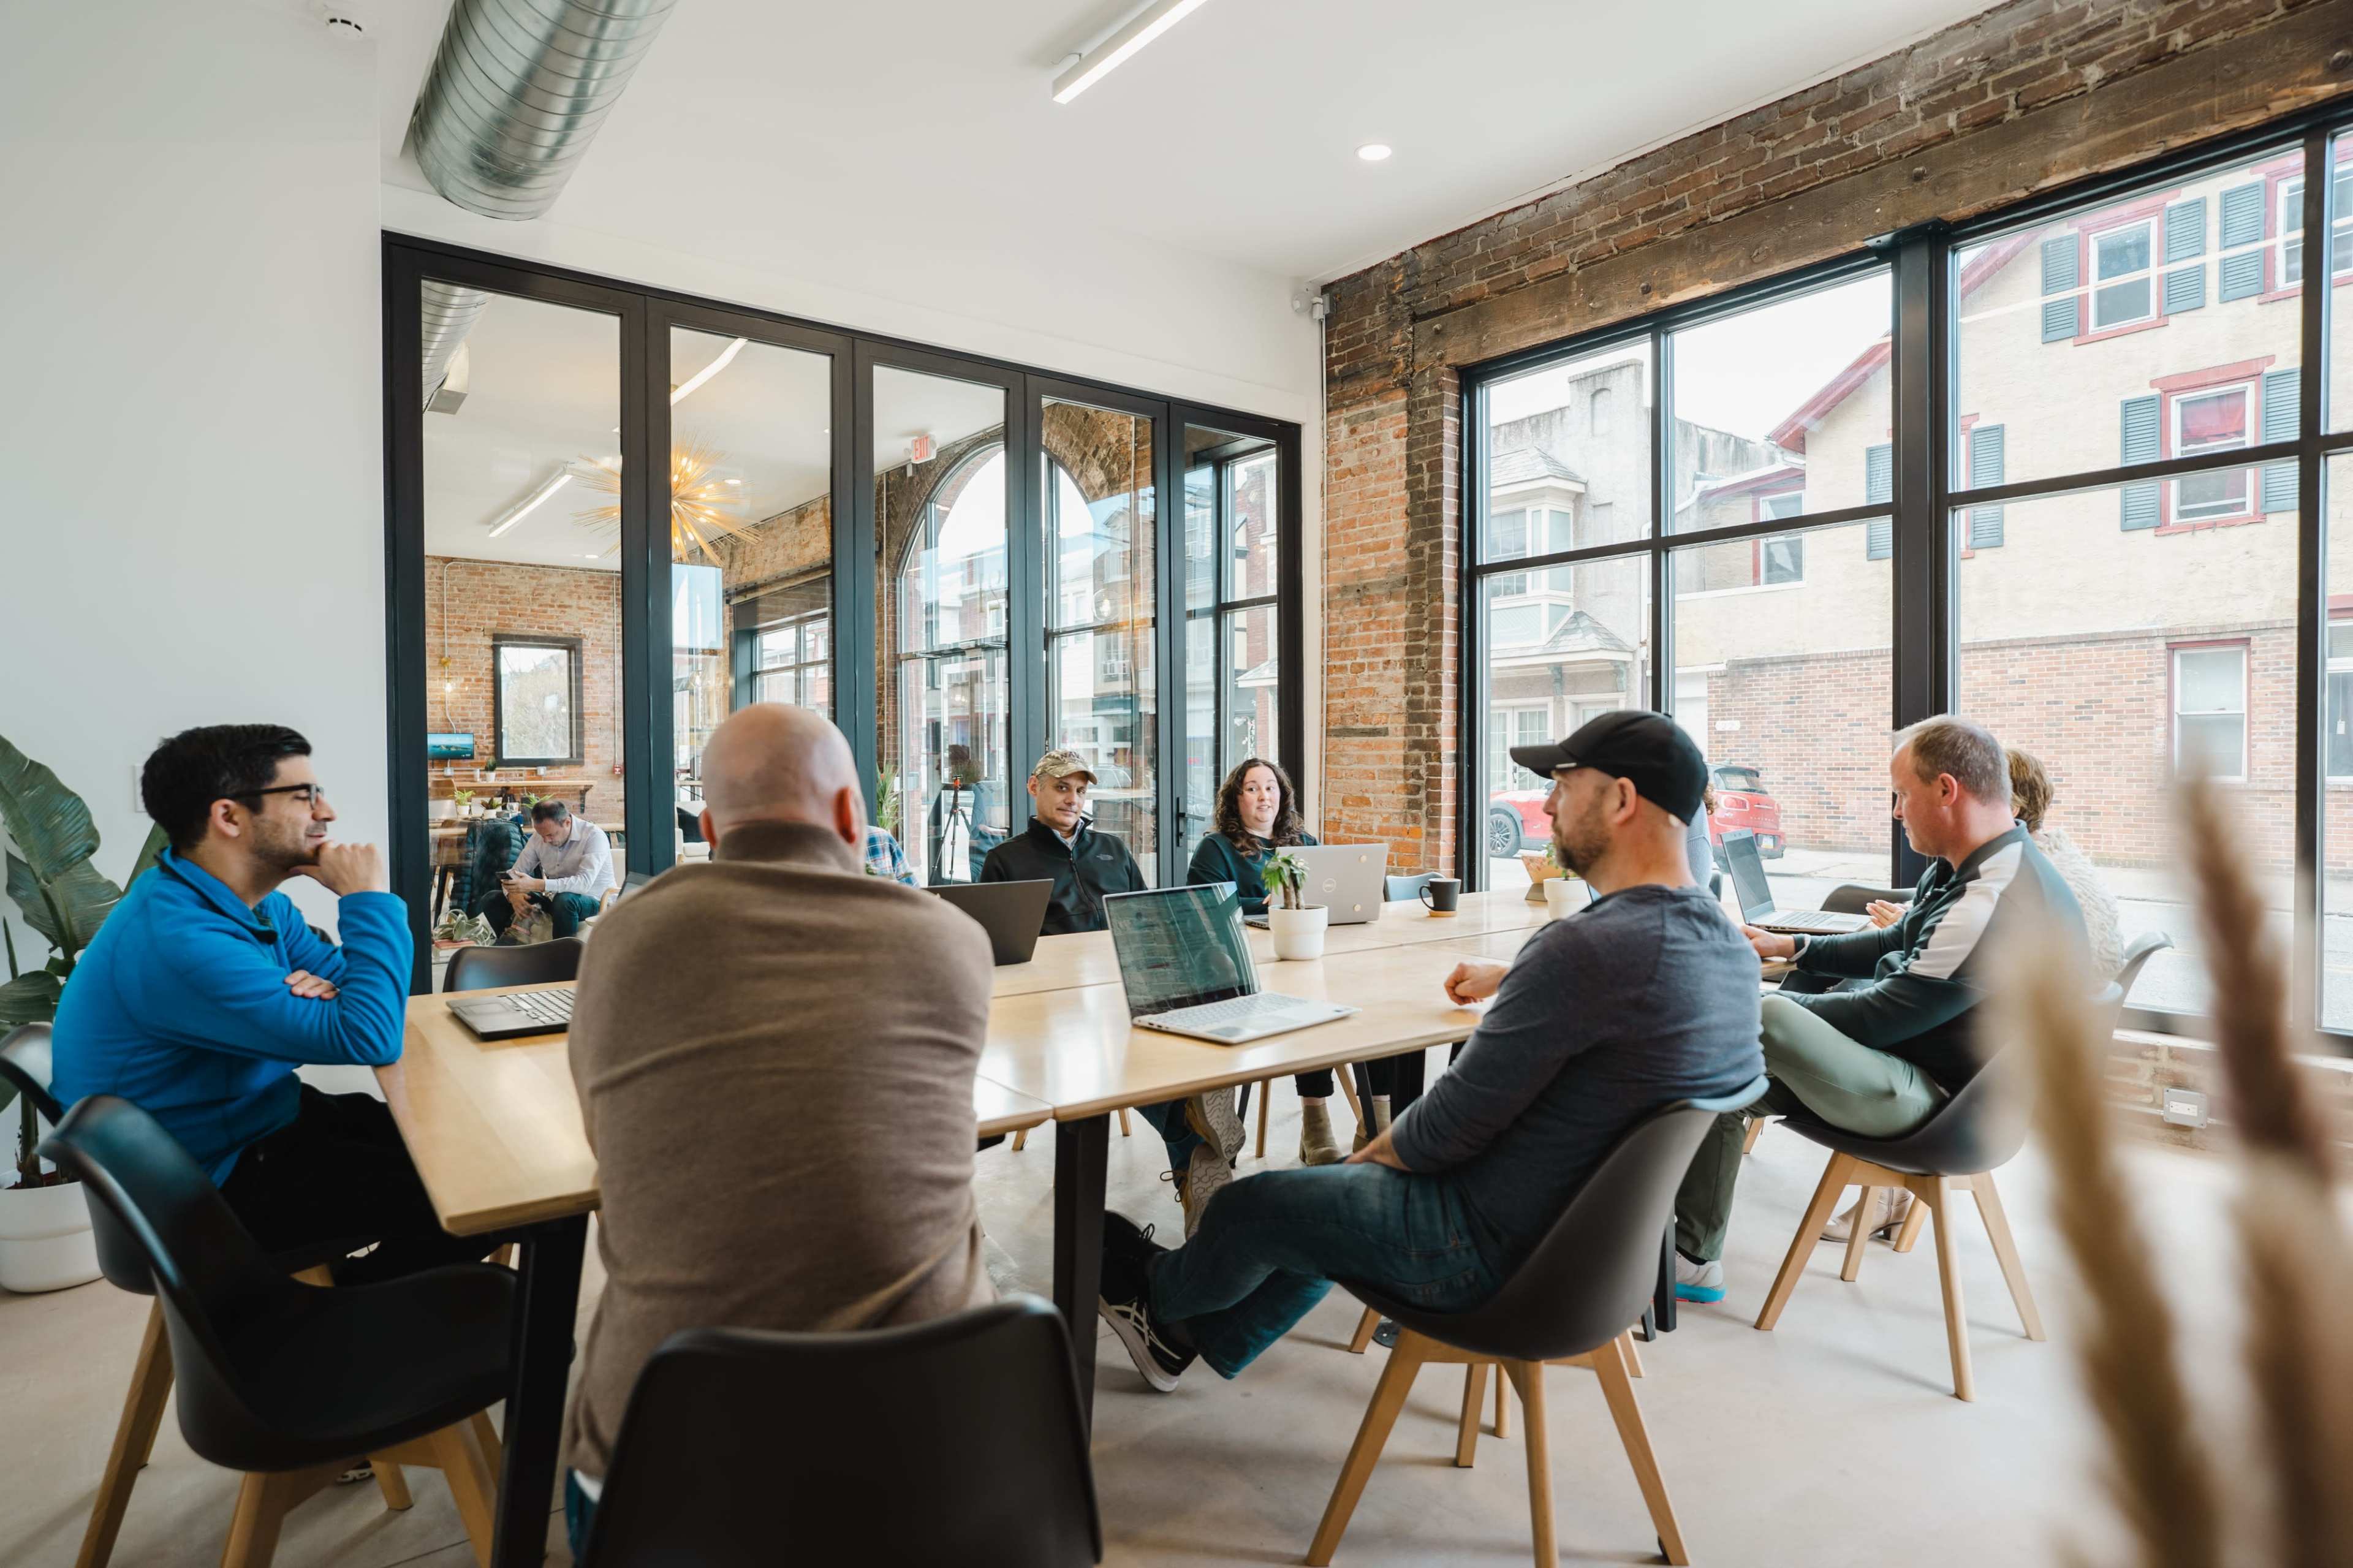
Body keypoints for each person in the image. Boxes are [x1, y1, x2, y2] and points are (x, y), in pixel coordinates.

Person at [1094, 710, 1764, 1391]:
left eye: (1563, 785)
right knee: (1312, 1207)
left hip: (1483, 1253)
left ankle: (1159, 1300)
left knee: (1255, 1206)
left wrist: (1356, 1171)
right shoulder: (1729, 951)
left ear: (1622, 800)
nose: (1549, 804)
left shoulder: (1585, 950)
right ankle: (1191, 1339)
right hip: (1600, 1271)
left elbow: (1444, 1129)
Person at [561, 703, 996, 1553]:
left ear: (713, 827)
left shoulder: (618, 943)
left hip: (669, 1464)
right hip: (934, 1448)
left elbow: (612, 1149)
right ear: (848, 816)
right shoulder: (951, 941)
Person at [50, 724, 485, 1284]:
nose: (326, 811)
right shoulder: (181, 940)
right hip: (204, 1190)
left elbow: (367, 1000)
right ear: (229, 817)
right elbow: (371, 1035)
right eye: (303, 795)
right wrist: (368, 898)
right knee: (490, 1184)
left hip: (261, 1124)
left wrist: (347, 998)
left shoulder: (253, 906)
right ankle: (328, 1323)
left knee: (475, 1152)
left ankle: (355, 1308)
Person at [1672, 716, 2090, 1298]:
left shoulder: (1993, 899)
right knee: (1720, 1069)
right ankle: (1691, 1256)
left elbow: (1882, 1016)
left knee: (1764, 1019)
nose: (1896, 812)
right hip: (1942, 1078)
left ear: (1947, 790)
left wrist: (1755, 1005)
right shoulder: (1978, 865)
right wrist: (1793, 947)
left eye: (1901, 795)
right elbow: (1895, 944)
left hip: (1943, 1106)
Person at [1186, 759, 1349, 1166]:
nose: (1265, 796)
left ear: (1284, 795)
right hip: (1246, 968)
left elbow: (1329, 895)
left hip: (1308, 954)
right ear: (1235, 799)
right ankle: (1316, 1120)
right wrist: (1267, 905)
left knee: (1367, 997)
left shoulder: (1305, 844)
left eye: (1271, 787)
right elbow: (1203, 907)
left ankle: (1376, 1122)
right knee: (1308, 1002)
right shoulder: (1216, 847)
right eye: (1253, 788)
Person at [1865, 744, 2122, 979]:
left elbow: (1964, 956)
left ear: (2008, 809)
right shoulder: (2057, 859)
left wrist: (1915, 928)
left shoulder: (2016, 879)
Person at [978, 749, 1146, 933]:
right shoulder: (1005, 860)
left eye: (1080, 791)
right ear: (1034, 787)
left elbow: (1146, 913)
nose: (1073, 800)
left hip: (1115, 959)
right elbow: (994, 939)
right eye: (1062, 788)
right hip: (1052, 960)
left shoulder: (1114, 848)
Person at [476, 799, 612, 940]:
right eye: (542, 835)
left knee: (565, 900)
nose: (546, 841)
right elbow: (514, 873)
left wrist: (536, 884)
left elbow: (583, 884)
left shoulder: (593, 836)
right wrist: (513, 896)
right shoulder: (538, 838)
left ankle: (562, 956)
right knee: (491, 899)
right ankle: (513, 945)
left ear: (567, 823)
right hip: (556, 902)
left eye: (551, 835)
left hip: (596, 902)